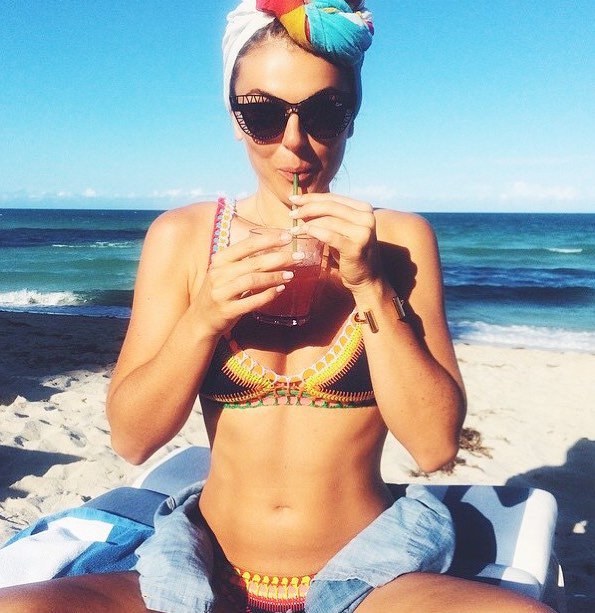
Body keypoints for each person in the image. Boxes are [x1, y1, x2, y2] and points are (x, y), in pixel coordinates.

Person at [0, 1, 556, 612]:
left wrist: (371, 286)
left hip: (370, 575)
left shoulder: (399, 241)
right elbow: (133, 439)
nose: (294, 143)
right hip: (204, 568)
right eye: (263, 114)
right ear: (235, 119)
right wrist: (203, 318)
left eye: (325, 112)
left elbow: (434, 447)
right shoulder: (183, 239)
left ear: (353, 116)